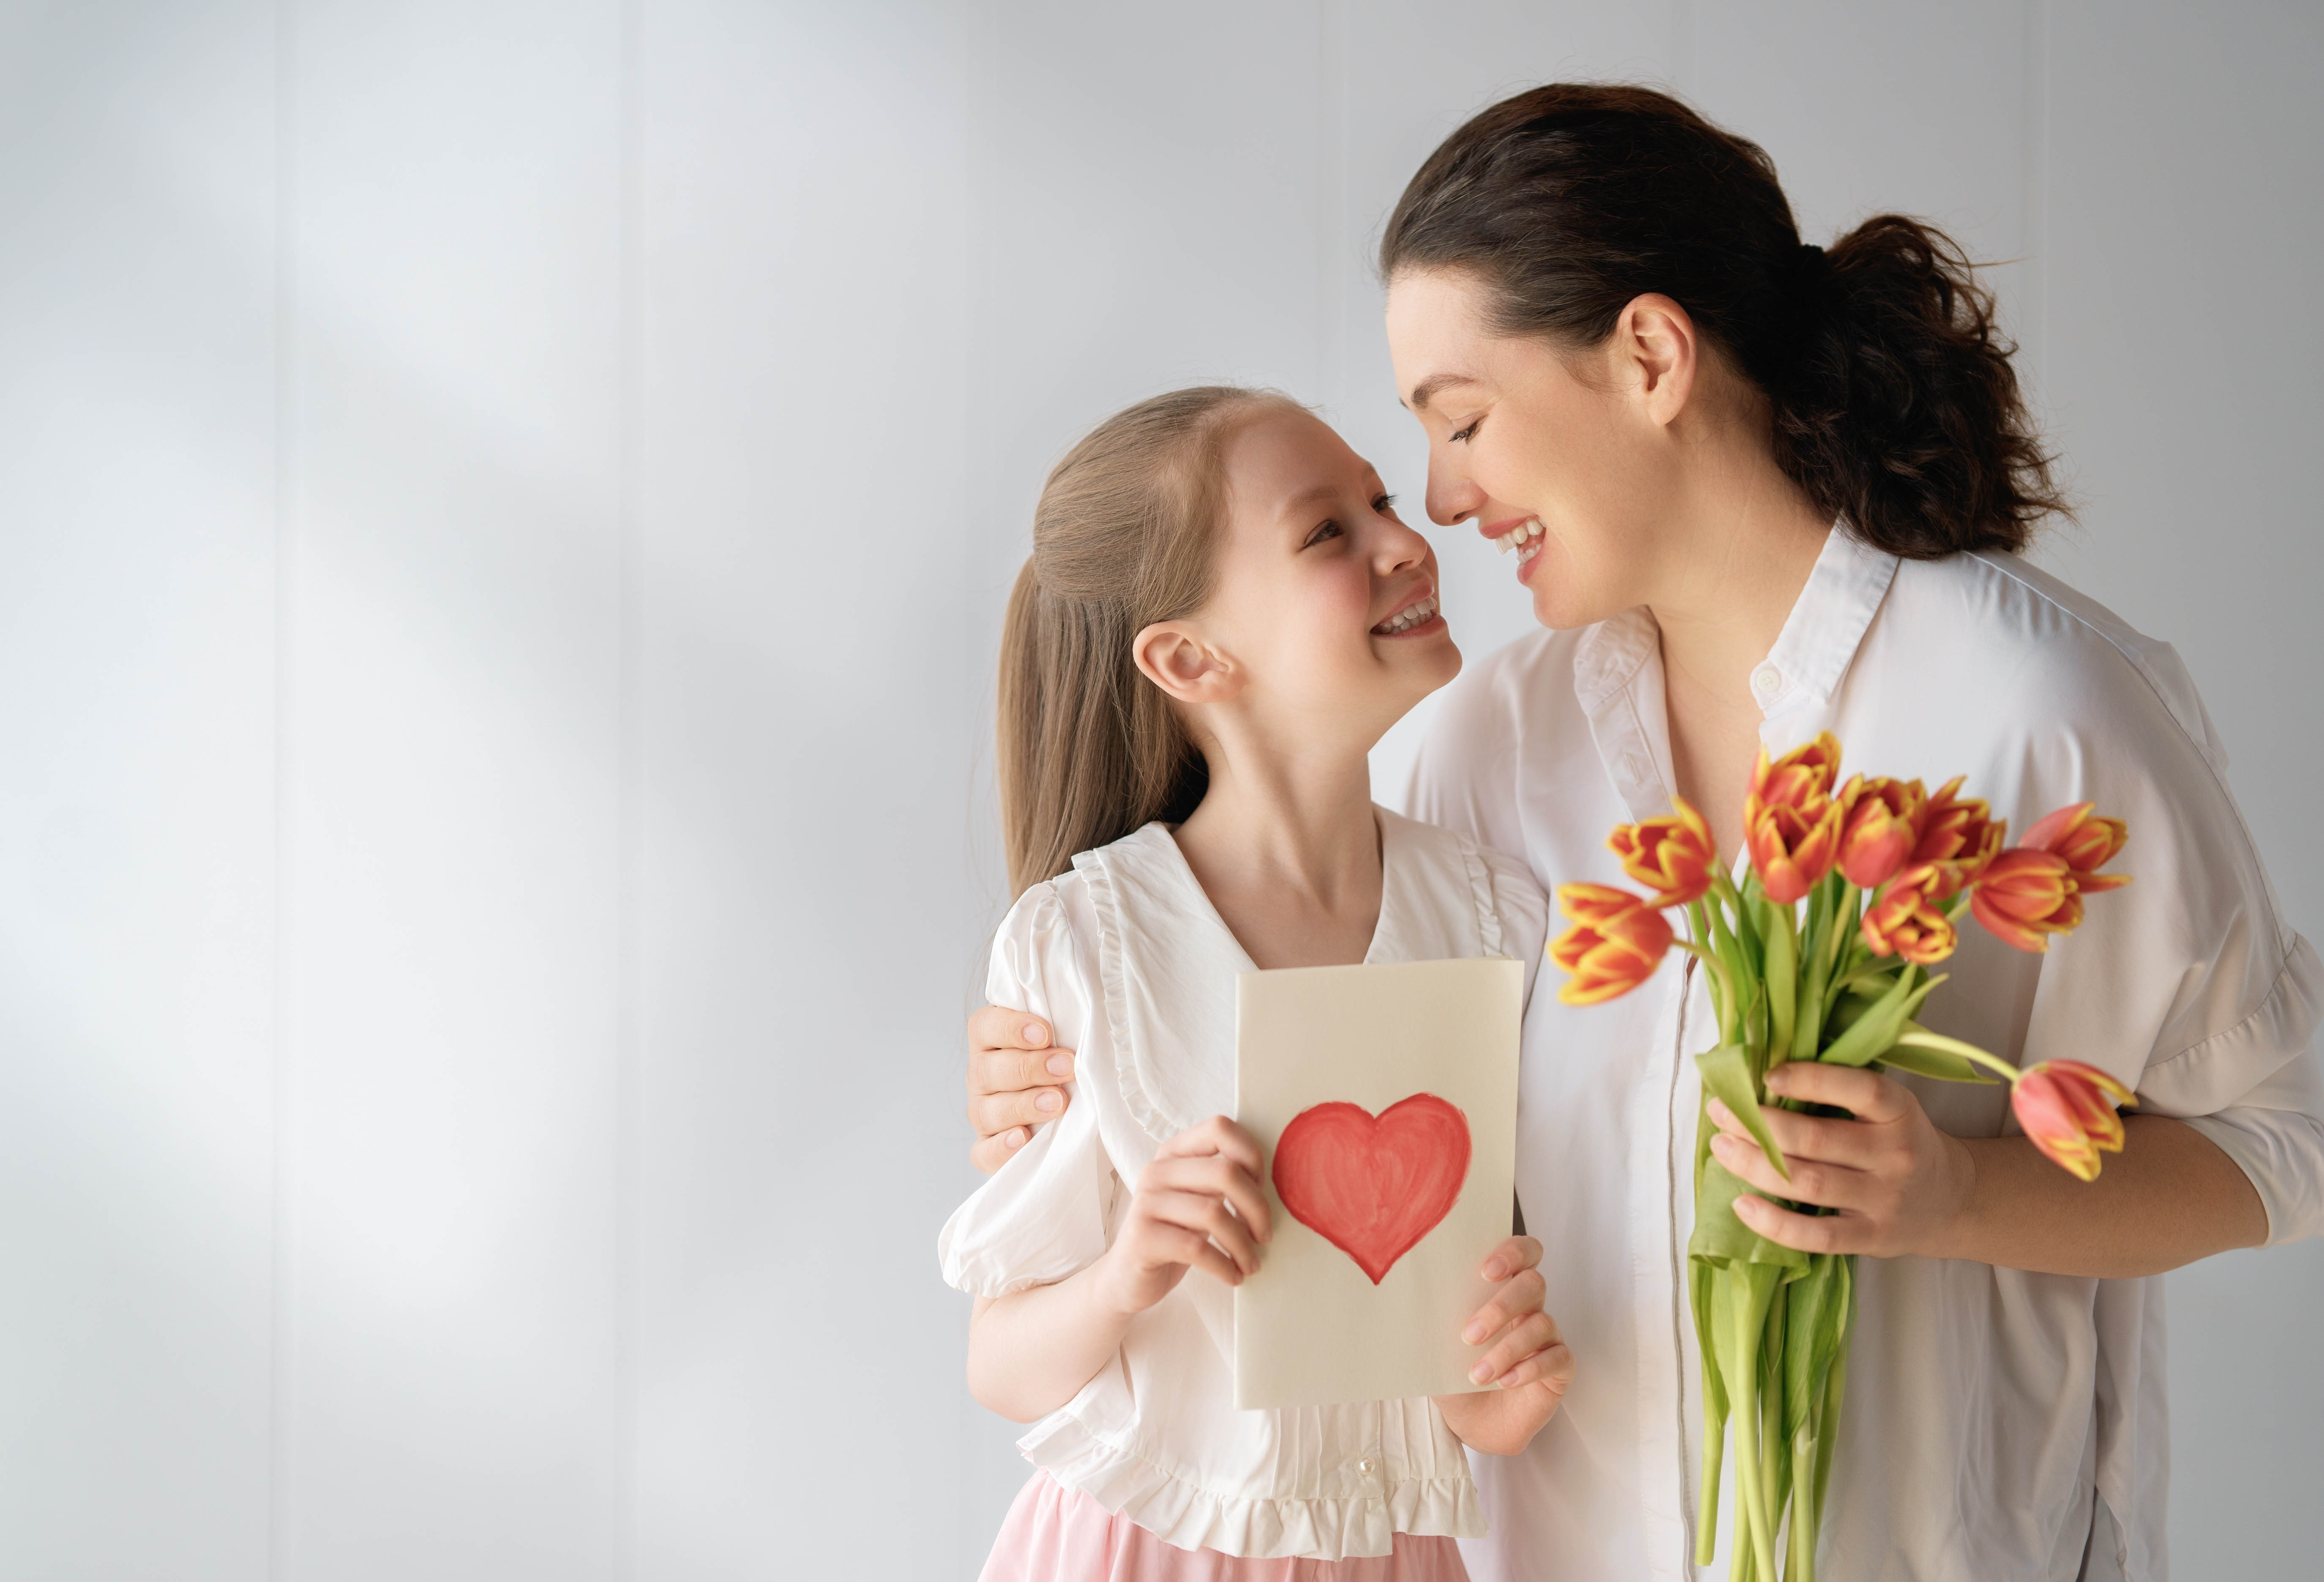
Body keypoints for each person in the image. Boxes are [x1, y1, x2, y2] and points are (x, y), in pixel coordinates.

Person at [962, 86, 2324, 1582]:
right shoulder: (1489, 747)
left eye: (1463, 420)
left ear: (1651, 357)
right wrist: (1069, 1073)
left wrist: (1957, 1195)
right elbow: (1311, 1046)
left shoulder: (2036, 709)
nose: (1442, 498)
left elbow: (2285, 1141)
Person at [941, 387, 1576, 1581]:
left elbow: (1438, 1313)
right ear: (1189, 658)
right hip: (1135, 1552)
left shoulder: (1494, 917)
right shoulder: (1087, 945)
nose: (1404, 540)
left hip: (1389, 1554)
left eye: (1378, 501)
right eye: (1325, 531)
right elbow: (999, 1367)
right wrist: (1132, 1264)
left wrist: (1491, 1394)